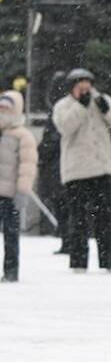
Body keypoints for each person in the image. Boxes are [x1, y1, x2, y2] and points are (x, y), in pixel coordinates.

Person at [52, 67, 111, 273]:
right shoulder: (63, 106)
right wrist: (80, 106)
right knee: (78, 218)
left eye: (88, 86)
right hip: (76, 171)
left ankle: (108, 260)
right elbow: (65, 127)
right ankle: (78, 261)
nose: (85, 90)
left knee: (106, 218)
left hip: (102, 168)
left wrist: (107, 110)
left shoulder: (102, 100)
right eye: (80, 87)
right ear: (72, 88)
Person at [0, 91, 37, 282]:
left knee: (11, 235)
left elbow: (27, 166)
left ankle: (11, 270)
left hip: (10, 195)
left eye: (7, 108)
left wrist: (23, 191)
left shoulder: (22, 136)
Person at [35, 113, 69, 253]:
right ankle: (68, 240)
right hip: (62, 173)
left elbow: (47, 148)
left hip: (57, 173)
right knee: (66, 209)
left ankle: (67, 240)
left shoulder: (55, 127)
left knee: (63, 208)